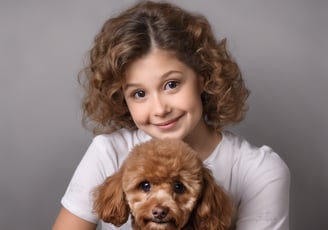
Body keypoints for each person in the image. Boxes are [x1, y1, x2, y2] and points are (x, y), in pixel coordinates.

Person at [52, 1, 290, 230]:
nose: (159, 109)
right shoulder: (108, 153)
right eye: (139, 93)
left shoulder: (260, 172)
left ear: (203, 77)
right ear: (122, 98)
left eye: (171, 84)